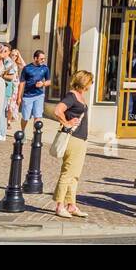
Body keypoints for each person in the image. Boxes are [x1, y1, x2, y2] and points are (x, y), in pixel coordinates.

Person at [52, 69, 93, 219]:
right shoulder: (72, 96)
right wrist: (66, 122)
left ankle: (71, 205)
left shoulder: (80, 97)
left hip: (81, 139)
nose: (91, 85)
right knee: (68, 173)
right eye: (90, 82)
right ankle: (59, 205)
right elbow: (57, 110)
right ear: (84, 82)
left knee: (75, 175)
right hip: (73, 138)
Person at [18, 50, 50, 136]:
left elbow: (48, 81)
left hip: (39, 95)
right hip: (27, 96)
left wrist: (43, 84)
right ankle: (23, 132)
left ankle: (35, 135)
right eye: (41, 59)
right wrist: (18, 97)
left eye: (44, 59)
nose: (43, 60)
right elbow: (22, 83)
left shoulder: (45, 68)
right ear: (35, 58)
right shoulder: (27, 68)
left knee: (37, 116)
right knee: (25, 117)